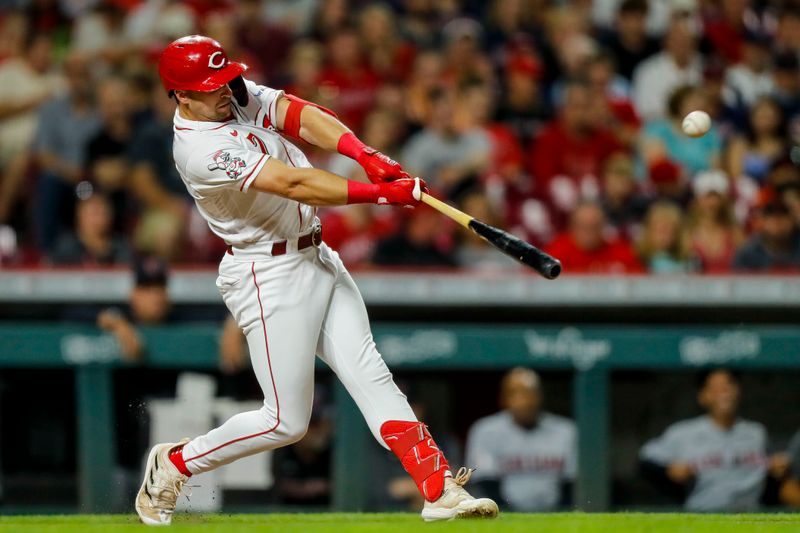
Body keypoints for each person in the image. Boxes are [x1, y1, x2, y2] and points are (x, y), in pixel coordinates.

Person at [135, 35, 498, 525]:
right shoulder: (200, 148)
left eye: (224, 77)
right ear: (180, 94)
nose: (225, 89)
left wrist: (365, 154)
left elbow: (296, 113)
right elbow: (293, 181)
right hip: (267, 271)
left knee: (370, 372)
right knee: (285, 422)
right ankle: (174, 463)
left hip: (315, 251)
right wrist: (383, 195)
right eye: (209, 84)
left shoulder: (231, 94)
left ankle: (438, 490)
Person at [639, 369, 770, 511]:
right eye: (715, 388)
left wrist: (774, 467)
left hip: (750, 516)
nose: (724, 392)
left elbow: (768, 475)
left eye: (728, 385)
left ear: (738, 391)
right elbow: (646, 461)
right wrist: (667, 471)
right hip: (703, 514)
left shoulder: (757, 432)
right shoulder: (683, 432)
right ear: (703, 396)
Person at [465, 368, 576, 511]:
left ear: (540, 396)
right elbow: (485, 483)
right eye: (515, 394)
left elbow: (571, 485)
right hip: (503, 515)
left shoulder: (566, 431)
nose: (523, 401)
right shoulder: (485, 430)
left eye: (530, 393)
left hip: (554, 513)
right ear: (503, 399)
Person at [544, 201, 643, 274]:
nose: (589, 233)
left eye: (594, 226)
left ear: (603, 227)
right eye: (584, 227)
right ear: (572, 227)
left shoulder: (621, 253)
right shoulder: (556, 253)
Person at [733, 198, 800, 271]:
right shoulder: (748, 253)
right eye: (771, 219)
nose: (777, 224)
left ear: (793, 220)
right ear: (762, 222)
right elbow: (739, 279)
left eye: (782, 217)